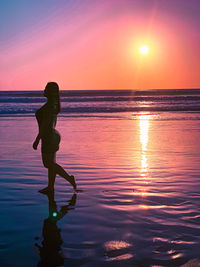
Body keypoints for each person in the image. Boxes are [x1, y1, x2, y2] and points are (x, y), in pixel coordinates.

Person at [33, 82, 76, 193]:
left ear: (50, 92)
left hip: (48, 136)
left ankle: (69, 178)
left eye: (46, 88)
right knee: (51, 164)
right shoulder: (53, 104)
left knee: (48, 164)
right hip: (52, 135)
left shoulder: (49, 106)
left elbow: (44, 125)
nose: (44, 90)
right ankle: (50, 187)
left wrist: (37, 140)